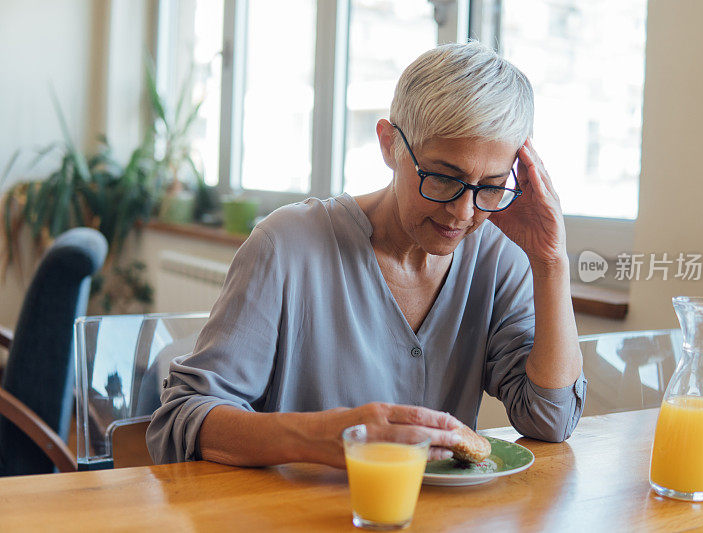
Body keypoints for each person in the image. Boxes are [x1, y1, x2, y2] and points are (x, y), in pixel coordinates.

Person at [147, 42, 586, 468]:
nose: (463, 211)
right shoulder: (286, 246)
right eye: (442, 177)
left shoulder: (497, 258)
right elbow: (181, 420)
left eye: (490, 186)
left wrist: (551, 262)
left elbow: (550, 419)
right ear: (388, 144)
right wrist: (323, 437)